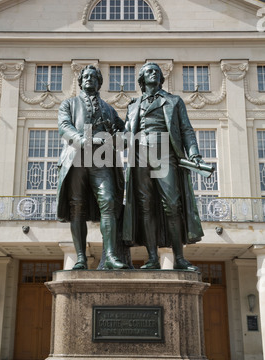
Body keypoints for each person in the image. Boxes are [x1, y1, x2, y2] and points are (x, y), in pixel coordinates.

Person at [123, 62, 205, 271]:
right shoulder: (133, 105)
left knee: (172, 204)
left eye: (157, 72)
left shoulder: (173, 101)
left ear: (161, 78)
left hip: (164, 154)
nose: (154, 73)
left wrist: (194, 152)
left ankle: (179, 258)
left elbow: (186, 130)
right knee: (145, 206)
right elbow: (125, 135)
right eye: (149, 71)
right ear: (142, 79)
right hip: (140, 155)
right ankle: (151, 258)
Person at [57, 65, 128, 270]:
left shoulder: (109, 108)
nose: (89, 79)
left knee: (108, 202)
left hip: (102, 159)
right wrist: (83, 139)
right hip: (76, 158)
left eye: (93, 77)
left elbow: (123, 135)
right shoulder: (68, 104)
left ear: (99, 82)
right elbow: (64, 127)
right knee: (76, 207)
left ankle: (111, 257)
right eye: (85, 76)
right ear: (80, 81)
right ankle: (80, 258)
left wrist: (118, 135)